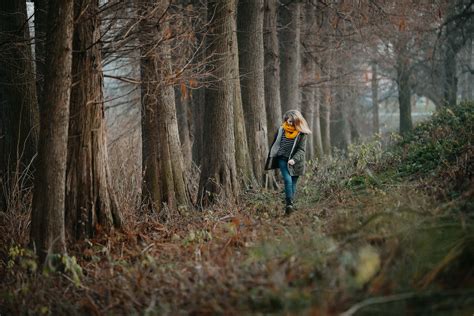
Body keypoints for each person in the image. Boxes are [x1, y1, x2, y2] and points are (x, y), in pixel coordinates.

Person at [265, 110, 312, 215]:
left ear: (297, 121)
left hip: (296, 162)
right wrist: (273, 155)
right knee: (287, 180)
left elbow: (301, 150)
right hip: (282, 159)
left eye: (292, 121)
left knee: (293, 183)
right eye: (288, 121)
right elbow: (276, 143)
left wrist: (294, 159)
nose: (289, 123)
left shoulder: (302, 134)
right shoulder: (282, 130)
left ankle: (291, 205)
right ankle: (288, 203)